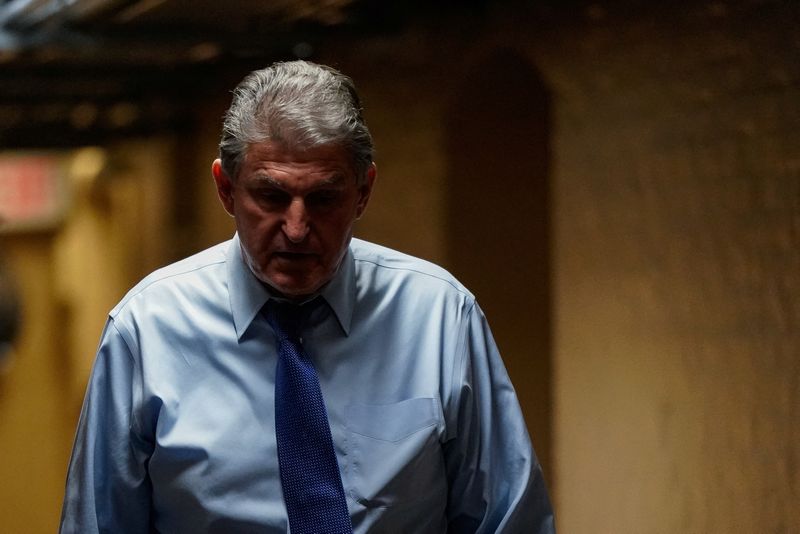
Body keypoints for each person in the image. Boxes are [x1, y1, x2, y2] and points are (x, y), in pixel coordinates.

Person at [59, 60, 555, 533]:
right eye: (271, 197)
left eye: (323, 199)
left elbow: (509, 520)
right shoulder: (146, 330)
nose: (297, 229)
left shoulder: (440, 318)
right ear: (226, 189)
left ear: (363, 192)